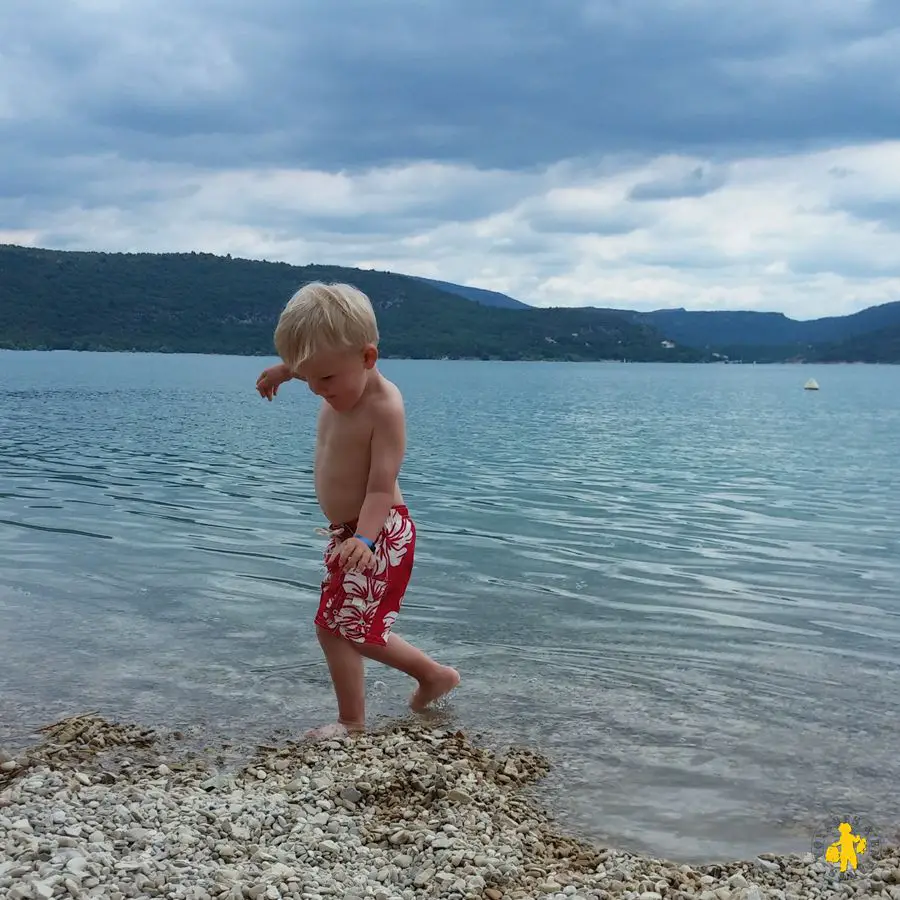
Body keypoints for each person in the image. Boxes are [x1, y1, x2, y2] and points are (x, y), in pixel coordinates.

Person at [255, 281, 460, 738]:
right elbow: (310, 362)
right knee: (333, 627)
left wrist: (365, 539)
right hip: (350, 533)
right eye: (306, 378)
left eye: (324, 380)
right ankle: (425, 680)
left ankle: (361, 717)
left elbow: (380, 487)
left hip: (380, 531)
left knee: (351, 630)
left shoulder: (384, 408)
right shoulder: (330, 373)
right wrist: (280, 372)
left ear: (368, 359)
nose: (315, 389)